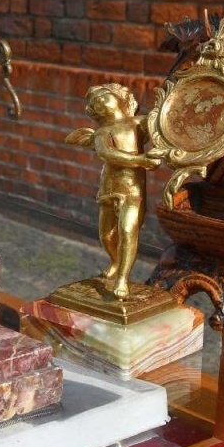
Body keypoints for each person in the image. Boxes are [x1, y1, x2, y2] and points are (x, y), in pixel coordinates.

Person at [64, 83, 162, 299]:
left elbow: (162, 126)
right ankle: (115, 261)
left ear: (121, 100)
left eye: (103, 97)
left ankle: (122, 280)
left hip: (133, 192)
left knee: (128, 230)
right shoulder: (102, 133)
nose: (97, 102)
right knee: (106, 235)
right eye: (93, 103)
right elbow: (108, 155)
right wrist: (141, 160)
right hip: (109, 190)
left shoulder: (138, 123)